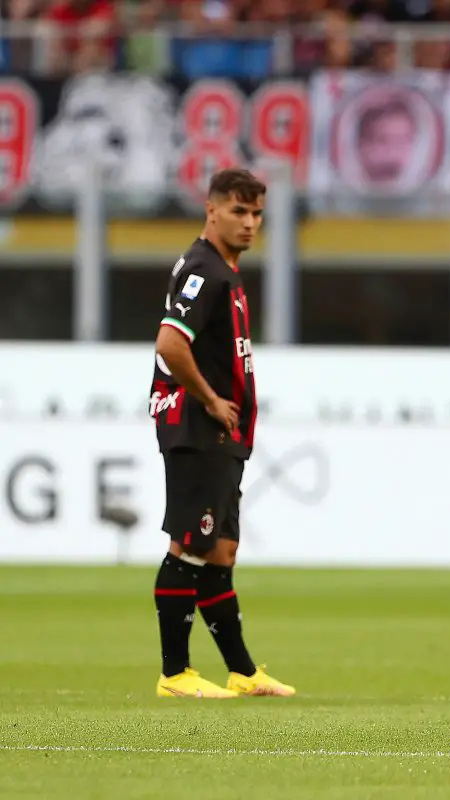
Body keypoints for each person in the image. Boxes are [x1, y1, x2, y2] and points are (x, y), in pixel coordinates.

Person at [149, 167, 295, 699]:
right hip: (196, 426)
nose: (250, 223)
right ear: (211, 210)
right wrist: (211, 399)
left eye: (257, 213)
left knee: (220, 550)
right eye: (238, 211)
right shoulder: (204, 271)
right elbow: (170, 344)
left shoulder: (224, 270)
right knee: (190, 544)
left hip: (219, 433)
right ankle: (174, 673)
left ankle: (243, 670)